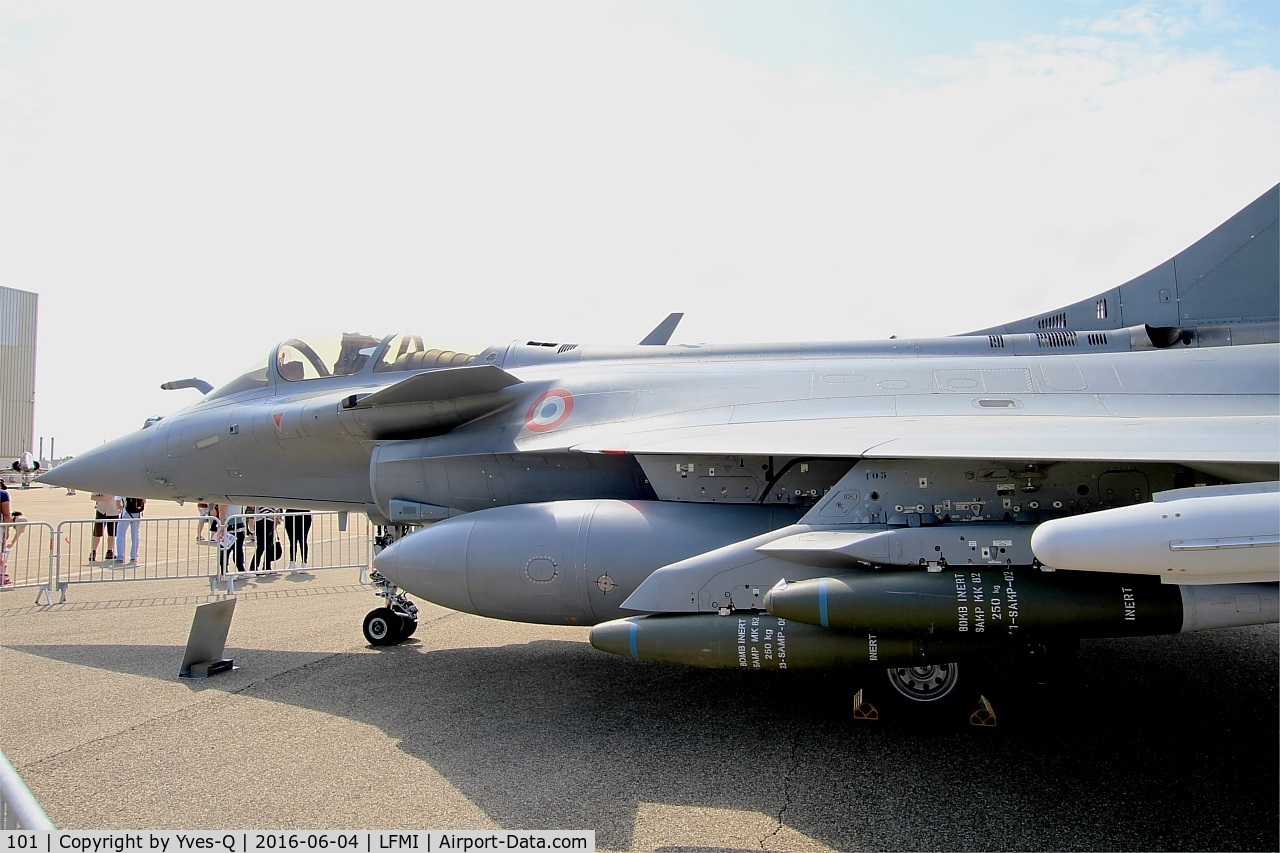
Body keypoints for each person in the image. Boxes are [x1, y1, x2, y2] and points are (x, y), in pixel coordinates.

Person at [247, 506, 282, 572]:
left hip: (270, 522)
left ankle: (267, 566)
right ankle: (253, 567)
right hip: (261, 522)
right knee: (261, 546)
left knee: (269, 545)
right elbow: (265, 512)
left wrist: (277, 517)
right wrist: (275, 517)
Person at [215, 503, 247, 573]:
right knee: (225, 550)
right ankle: (224, 572)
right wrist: (223, 526)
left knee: (238, 549)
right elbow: (221, 510)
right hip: (229, 525)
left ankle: (241, 571)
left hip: (239, 525)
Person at [89, 492, 121, 562]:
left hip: (114, 512)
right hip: (101, 511)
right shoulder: (100, 486)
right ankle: (93, 552)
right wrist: (103, 498)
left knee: (112, 534)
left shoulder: (118, 486)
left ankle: (110, 551)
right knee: (97, 533)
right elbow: (93, 497)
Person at [114, 496, 146, 564]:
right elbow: (144, 501)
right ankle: (134, 557)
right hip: (138, 514)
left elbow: (118, 504)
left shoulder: (122, 490)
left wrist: (122, 508)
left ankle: (120, 557)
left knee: (120, 535)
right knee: (135, 535)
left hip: (126, 513)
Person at [1, 510, 24, 585]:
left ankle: (2, 575)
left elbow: (18, 533)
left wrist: (11, 543)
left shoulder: (20, 520)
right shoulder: (9, 518)